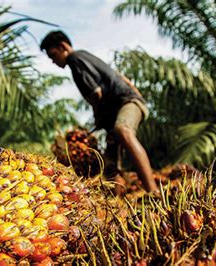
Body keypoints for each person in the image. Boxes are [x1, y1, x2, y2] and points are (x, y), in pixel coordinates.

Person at [40, 30, 160, 196]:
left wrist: (98, 116)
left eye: (53, 55)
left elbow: (96, 94)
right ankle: (116, 202)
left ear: (63, 46)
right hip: (122, 107)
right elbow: (119, 77)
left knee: (123, 130)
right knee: (110, 161)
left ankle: (153, 191)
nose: (53, 61)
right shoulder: (86, 57)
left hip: (127, 103)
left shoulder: (75, 59)